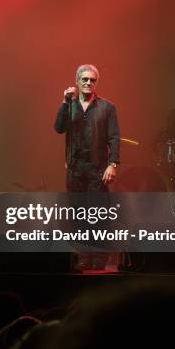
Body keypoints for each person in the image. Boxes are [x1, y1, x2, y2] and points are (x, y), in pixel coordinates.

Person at [54, 64, 120, 270]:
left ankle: (99, 255)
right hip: (75, 167)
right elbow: (58, 128)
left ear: (96, 83)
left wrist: (113, 163)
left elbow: (114, 137)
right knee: (77, 213)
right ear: (77, 81)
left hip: (97, 167)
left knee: (98, 213)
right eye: (85, 79)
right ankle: (83, 255)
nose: (88, 83)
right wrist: (65, 102)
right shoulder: (69, 105)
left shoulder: (107, 107)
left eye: (92, 80)